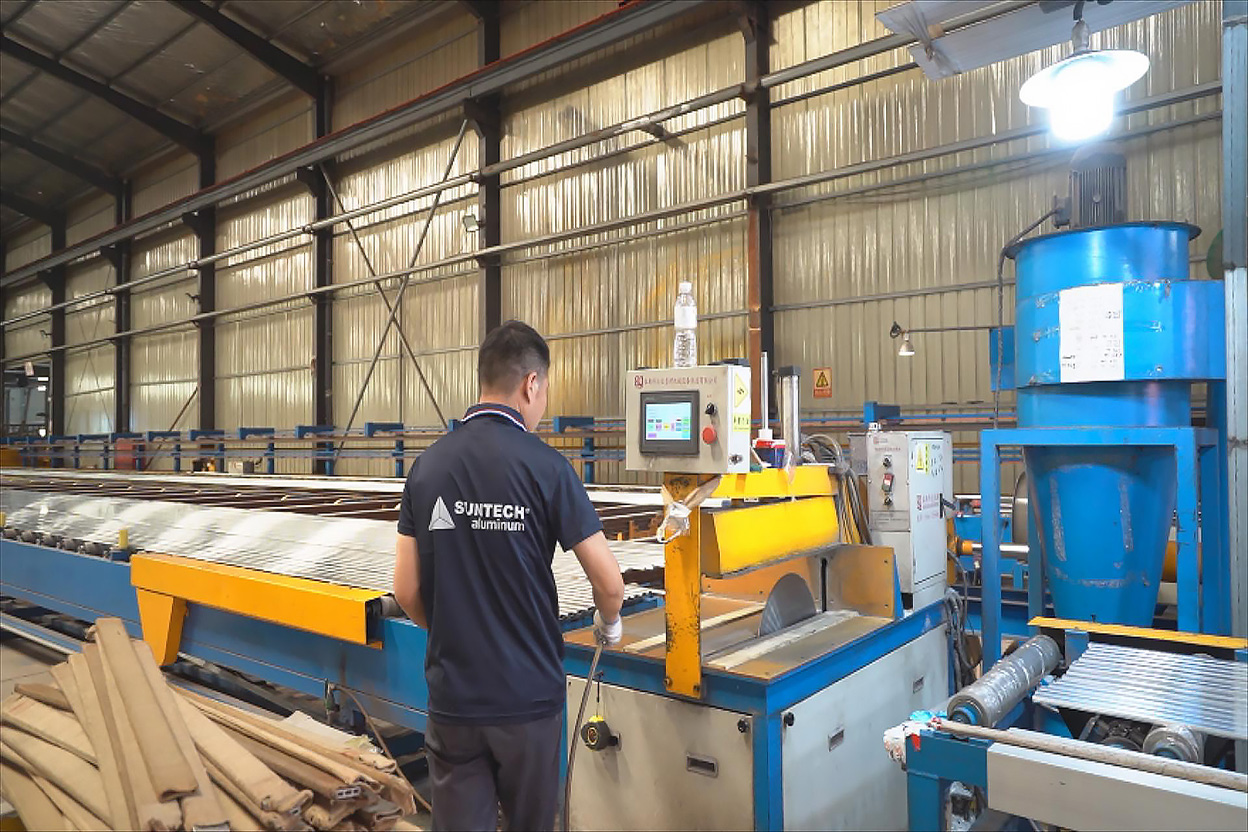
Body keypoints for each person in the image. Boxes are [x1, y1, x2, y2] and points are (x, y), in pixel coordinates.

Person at [392, 320, 625, 832]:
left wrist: (451, 630)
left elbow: (405, 589)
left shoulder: (427, 468)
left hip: (455, 699)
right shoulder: (548, 468)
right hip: (527, 700)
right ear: (531, 384)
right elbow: (610, 584)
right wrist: (609, 625)